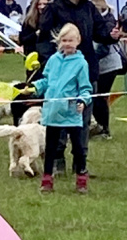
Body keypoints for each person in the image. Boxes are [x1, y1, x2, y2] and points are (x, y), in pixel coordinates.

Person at [37, 0, 120, 172]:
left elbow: (100, 32)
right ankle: (57, 162)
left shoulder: (89, 8)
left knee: (82, 121)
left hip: (85, 71)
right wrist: (53, 65)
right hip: (60, 75)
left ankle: (80, 163)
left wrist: (111, 35)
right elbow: (44, 41)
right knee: (58, 120)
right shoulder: (54, 9)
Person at [32, 23, 92, 195]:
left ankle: (81, 177)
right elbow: (46, 80)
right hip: (52, 111)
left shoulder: (81, 63)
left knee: (78, 147)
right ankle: (47, 179)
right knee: (50, 147)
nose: (67, 44)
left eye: (70, 40)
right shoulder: (53, 60)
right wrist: (35, 87)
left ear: (78, 41)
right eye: (64, 40)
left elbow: (86, 88)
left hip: (71, 111)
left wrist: (83, 101)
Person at [90, 0, 126, 140]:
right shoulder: (103, 20)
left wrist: (90, 59)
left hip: (108, 64)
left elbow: (104, 48)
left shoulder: (108, 21)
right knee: (96, 96)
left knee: (100, 97)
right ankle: (97, 127)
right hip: (99, 64)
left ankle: (104, 129)